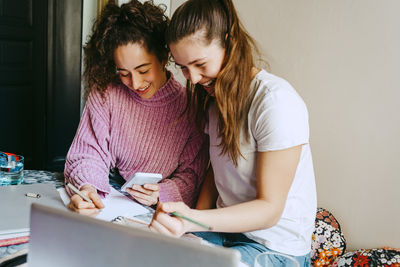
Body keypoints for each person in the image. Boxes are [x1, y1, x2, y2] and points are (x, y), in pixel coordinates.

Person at [149, 0, 317, 266]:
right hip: (226, 233)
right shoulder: (214, 99)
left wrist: (194, 218)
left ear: (230, 42)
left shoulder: (275, 102)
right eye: (183, 67)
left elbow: (269, 210)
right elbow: (216, 171)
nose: (192, 78)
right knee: (155, 254)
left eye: (199, 64)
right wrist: (190, 227)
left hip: (275, 247)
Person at [64, 0, 209, 216]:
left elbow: (192, 176)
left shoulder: (191, 107)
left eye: (143, 70)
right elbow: (88, 153)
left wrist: (161, 193)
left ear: (163, 57)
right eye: (124, 73)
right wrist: (88, 189)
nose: (135, 83)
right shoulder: (106, 93)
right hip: (109, 189)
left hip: (160, 206)